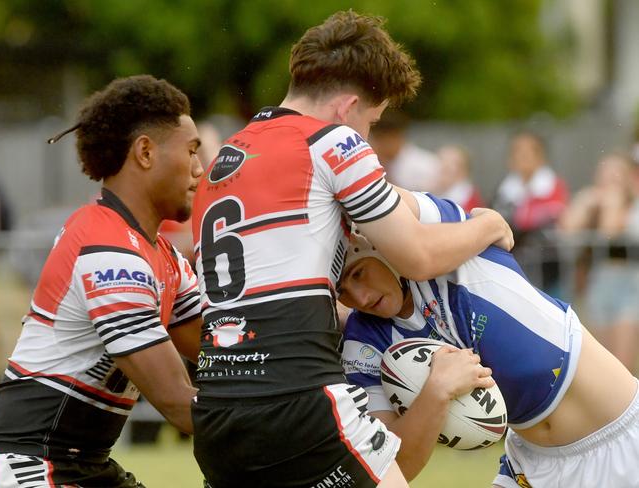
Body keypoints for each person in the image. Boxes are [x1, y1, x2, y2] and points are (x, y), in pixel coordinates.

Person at [190, 10, 513, 488]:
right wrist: (486, 225)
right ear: (348, 107)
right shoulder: (333, 141)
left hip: (215, 412)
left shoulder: (226, 158)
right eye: (372, 122)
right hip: (298, 400)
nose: (368, 138)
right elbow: (417, 254)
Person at [337, 191, 639, 487]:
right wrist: (437, 391)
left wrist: (492, 222)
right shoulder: (362, 341)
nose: (359, 298)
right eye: (342, 292)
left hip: (623, 439)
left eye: (359, 274)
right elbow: (394, 466)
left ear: (380, 248)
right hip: (532, 464)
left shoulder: (448, 243)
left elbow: (366, 186)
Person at [0, 75, 203, 487]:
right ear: (145, 152)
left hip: (83, 462)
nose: (199, 168)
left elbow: (222, 355)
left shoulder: (164, 256)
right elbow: (179, 402)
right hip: (33, 462)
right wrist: (295, 429)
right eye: (191, 151)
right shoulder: (108, 251)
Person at [560, 151, 639, 373]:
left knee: (624, 367)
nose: (609, 179)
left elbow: (610, 231)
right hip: (599, 284)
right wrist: (585, 203)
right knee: (605, 366)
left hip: (630, 286)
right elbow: (567, 229)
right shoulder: (593, 201)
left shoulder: (632, 208)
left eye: (616, 173)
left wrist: (610, 203)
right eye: (605, 172)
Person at [491, 131, 569, 296]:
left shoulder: (552, 186)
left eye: (528, 152)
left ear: (541, 156)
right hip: (514, 265)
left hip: (547, 267)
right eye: (517, 151)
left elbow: (538, 218)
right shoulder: (505, 188)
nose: (521, 157)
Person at [369, 109, 441, 192]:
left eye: (379, 139)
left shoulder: (425, 165)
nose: (376, 145)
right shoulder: (374, 163)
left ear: (395, 137)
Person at [435, 144, 484, 212]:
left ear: (463, 171)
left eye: (450, 164)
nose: (442, 165)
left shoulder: (467, 200)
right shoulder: (438, 192)